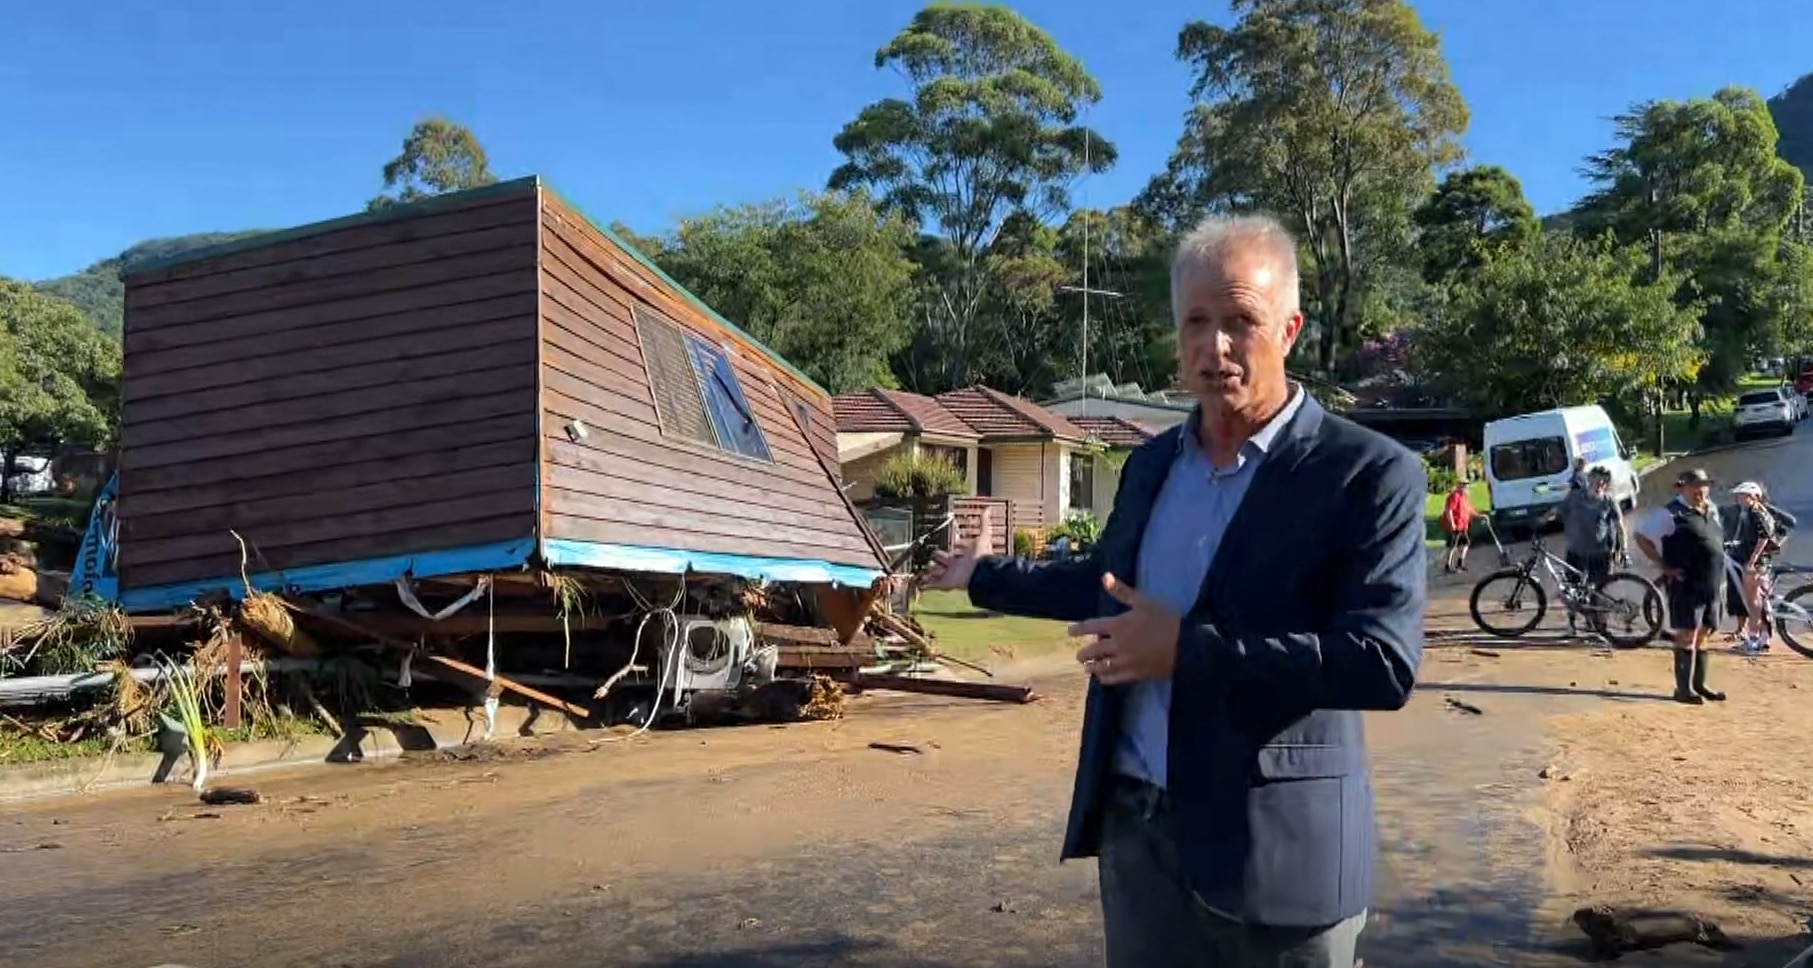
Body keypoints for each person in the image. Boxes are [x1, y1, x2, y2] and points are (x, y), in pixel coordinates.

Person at [920, 213, 1426, 968]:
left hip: (1277, 851)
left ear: (1288, 329)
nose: (1214, 346)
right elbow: (1109, 585)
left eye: (1240, 321)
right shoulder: (1152, 465)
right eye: (1195, 321)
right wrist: (982, 575)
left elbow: (1381, 663)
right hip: (1140, 832)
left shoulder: (1368, 472)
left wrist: (1185, 652)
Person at [1631, 469, 1726, 705]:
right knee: (1686, 634)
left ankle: (1699, 685)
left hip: (1711, 583)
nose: (1701, 490)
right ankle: (1683, 690)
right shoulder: (1670, 513)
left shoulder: (1711, 509)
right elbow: (1641, 536)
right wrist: (1663, 566)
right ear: (1682, 488)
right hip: (1686, 584)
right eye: (1695, 486)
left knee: (1705, 632)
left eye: (1704, 485)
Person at [1726, 481, 1798, 654]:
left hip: (1756, 563)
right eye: (1738, 496)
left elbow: (1762, 539)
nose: (1739, 499)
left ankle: (1753, 640)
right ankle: (1763, 638)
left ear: (1753, 497)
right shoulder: (1755, 512)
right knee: (1761, 601)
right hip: (1761, 561)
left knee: (1754, 603)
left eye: (1742, 496)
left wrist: (1752, 561)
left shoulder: (1757, 513)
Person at [1557, 466, 1626, 638]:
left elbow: (1620, 526)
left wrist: (1623, 549)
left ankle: (1599, 626)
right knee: (1571, 590)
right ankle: (1572, 623)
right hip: (1576, 552)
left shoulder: (1608, 501)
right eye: (1596, 480)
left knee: (1600, 591)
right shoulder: (1574, 497)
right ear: (1589, 480)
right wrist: (1541, 521)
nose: (1600, 484)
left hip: (1601, 553)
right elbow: (1558, 512)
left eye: (1603, 481)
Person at [1441, 480, 1483, 573]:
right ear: (1459, 485)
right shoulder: (1455, 496)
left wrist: (1480, 516)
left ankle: (1460, 562)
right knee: (1454, 545)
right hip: (1457, 525)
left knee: (1466, 543)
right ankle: (1448, 565)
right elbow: (1449, 510)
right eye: (1464, 485)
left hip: (1463, 525)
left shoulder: (1465, 497)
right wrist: (1452, 523)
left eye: (1466, 485)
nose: (1466, 487)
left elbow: (1470, 510)